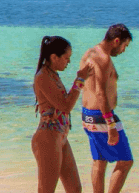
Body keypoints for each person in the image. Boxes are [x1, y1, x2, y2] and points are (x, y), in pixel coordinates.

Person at [32, 36, 93, 193]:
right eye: (66, 58)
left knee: (75, 189)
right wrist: (79, 80)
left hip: (60, 137)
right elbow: (65, 106)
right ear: (54, 57)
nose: (69, 62)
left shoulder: (53, 75)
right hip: (48, 137)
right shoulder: (43, 77)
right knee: (47, 190)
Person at [79, 24, 133, 193]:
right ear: (116, 41)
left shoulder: (90, 52)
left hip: (88, 115)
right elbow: (100, 93)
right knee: (125, 162)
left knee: (100, 161)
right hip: (102, 116)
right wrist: (111, 125)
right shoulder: (103, 59)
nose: (124, 51)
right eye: (124, 46)